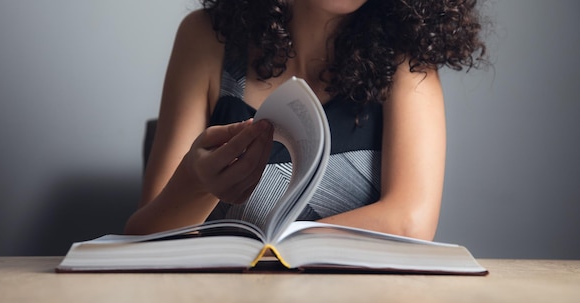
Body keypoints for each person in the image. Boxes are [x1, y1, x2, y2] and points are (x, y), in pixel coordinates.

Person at [124, 0, 487, 241]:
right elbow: (143, 236)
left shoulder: (406, 58)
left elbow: (411, 221)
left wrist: (278, 250)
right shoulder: (205, 38)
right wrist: (197, 183)